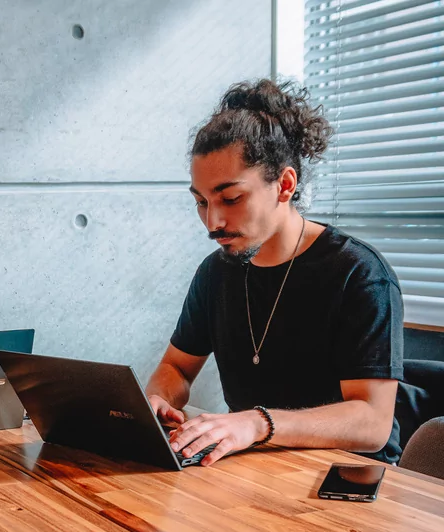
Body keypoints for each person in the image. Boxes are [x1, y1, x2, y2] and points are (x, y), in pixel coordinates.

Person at [146, 79, 403, 466]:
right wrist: (158, 400)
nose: (212, 222)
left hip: (347, 479)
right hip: (257, 470)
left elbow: (372, 422)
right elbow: (176, 367)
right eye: (201, 202)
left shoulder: (359, 274)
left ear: (284, 185)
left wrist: (255, 424)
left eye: (231, 199)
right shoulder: (216, 272)